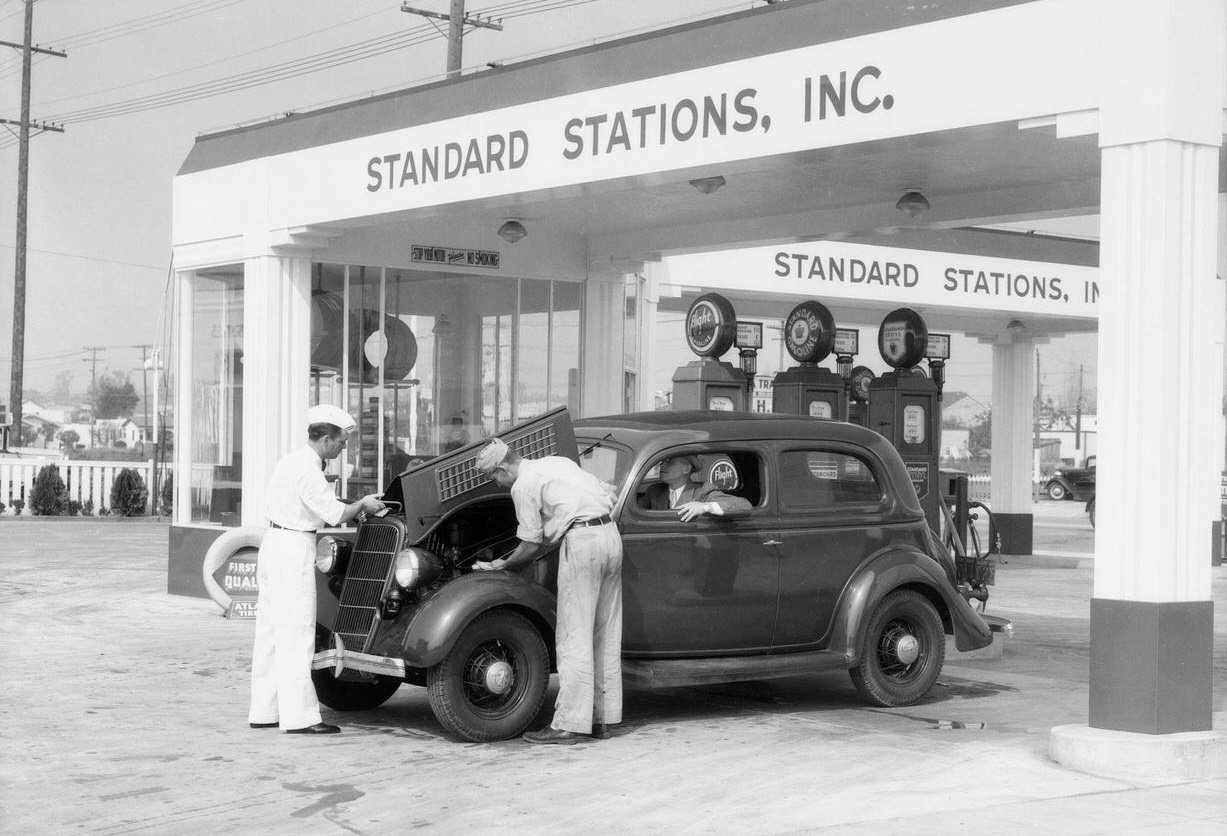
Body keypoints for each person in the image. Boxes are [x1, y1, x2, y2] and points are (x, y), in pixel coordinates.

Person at [471, 438, 622, 745]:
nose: (496, 484)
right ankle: (601, 719)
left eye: (493, 478)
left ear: (502, 468)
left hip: (582, 542)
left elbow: (530, 545)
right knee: (605, 632)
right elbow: (608, 492)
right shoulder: (556, 463)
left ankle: (569, 724)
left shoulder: (522, 486)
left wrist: (501, 566)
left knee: (573, 636)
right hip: (610, 535)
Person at [248, 404, 386, 735]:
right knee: (296, 634)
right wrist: (363, 504)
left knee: (269, 634)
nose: (344, 447)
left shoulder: (290, 461)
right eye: (341, 441)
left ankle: (264, 711)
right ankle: (300, 718)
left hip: (272, 544)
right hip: (293, 548)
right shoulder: (308, 470)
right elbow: (333, 513)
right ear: (325, 438)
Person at [640, 454, 751, 520]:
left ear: (686, 469)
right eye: (662, 461)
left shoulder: (703, 490)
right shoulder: (654, 491)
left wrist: (704, 507)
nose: (662, 465)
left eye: (669, 461)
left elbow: (744, 505)